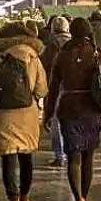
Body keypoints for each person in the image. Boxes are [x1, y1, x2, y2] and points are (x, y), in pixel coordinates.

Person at [44, 17, 101, 201]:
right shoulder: (97, 54)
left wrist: (48, 113)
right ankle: (84, 200)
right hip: (92, 109)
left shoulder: (62, 56)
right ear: (89, 32)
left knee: (74, 158)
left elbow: (53, 89)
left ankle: (78, 199)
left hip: (69, 107)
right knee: (88, 157)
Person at [0, 21, 48, 201]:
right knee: (26, 156)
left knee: (8, 159)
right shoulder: (33, 58)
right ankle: (25, 197)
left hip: (5, 114)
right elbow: (41, 89)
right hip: (27, 112)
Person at [40, 16, 71, 168]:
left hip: (56, 87)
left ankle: (59, 155)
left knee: (55, 121)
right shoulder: (75, 43)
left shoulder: (51, 45)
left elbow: (44, 65)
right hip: (73, 87)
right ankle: (72, 152)